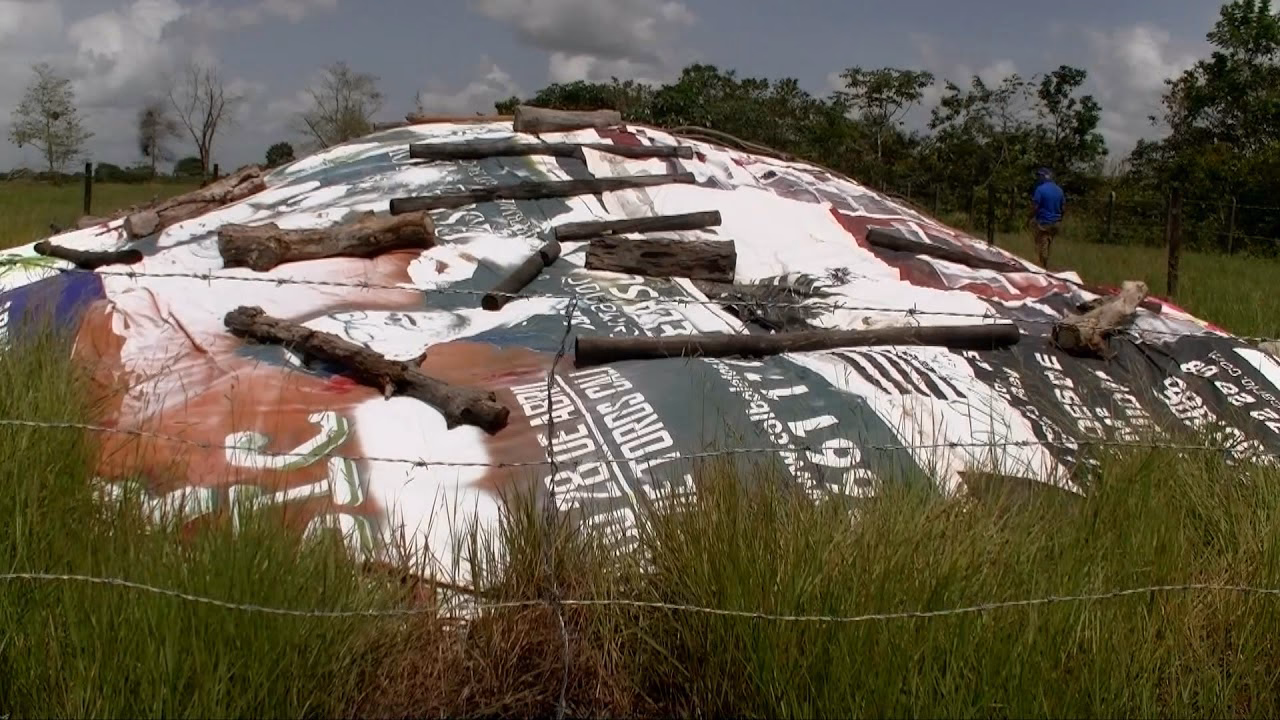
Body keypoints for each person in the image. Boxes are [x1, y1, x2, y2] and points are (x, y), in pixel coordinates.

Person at [1029, 167, 1065, 269]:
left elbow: (1035, 206)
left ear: (1044, 176)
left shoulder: (1040, 189)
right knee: (1048, 242)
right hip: (1056, 223)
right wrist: (1059, 218)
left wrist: (1030, 217)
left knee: (1041, 245)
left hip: (1043, 222)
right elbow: (1063, 208)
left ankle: (1042, 267)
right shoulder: (1059, 190)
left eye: (1039, 176)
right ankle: (1044, 263)